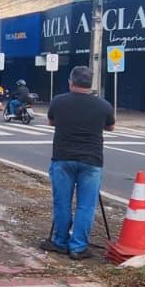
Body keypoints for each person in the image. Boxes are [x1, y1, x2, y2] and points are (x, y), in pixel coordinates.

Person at [43, 65, 115, 259]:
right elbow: (111, 127)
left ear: (71, 82)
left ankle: (60, 242)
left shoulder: (58, 102)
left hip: (62, 159)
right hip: (91, 161)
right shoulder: (103, 105)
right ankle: (78, 247)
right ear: (90, 84)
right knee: (86, 205)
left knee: (62, 202)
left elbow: (51, 122)